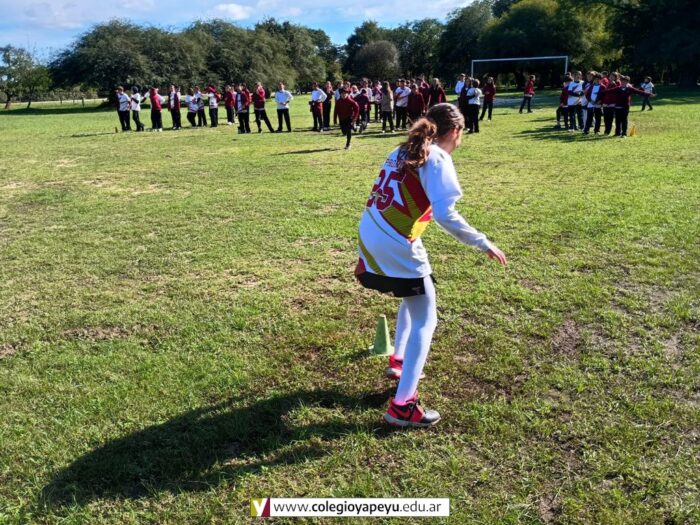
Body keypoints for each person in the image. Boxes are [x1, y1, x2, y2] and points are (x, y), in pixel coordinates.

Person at [354, 103, 507, 428]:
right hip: (395, 240)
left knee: (413, 296)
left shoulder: (402, 149)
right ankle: (403, 406)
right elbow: (445, 215)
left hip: (371, 231)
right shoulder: (435, 157)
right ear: (456, 131)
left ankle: (399, 360)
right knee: (427, 317)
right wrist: (483, 242)